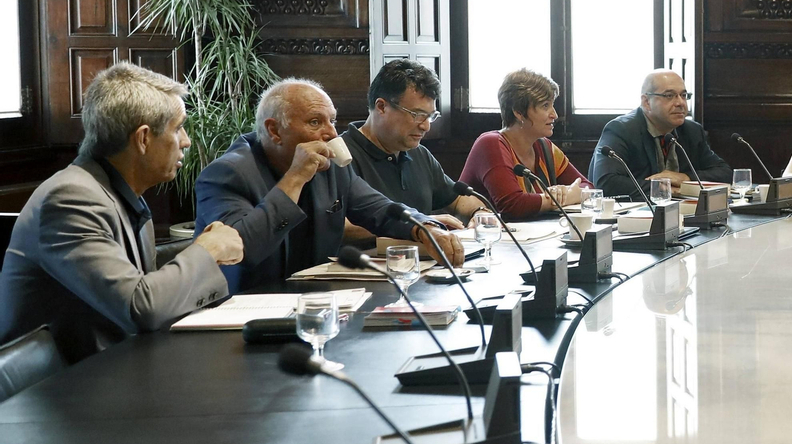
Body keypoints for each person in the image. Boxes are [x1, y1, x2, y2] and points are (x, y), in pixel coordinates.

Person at [0, 63, 242, 362]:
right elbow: (141, 309)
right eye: (178, 127)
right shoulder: (70, 198)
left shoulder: (117, 192)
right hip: (62, 384)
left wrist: (205, 250)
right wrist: (208, 250)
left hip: (110, 368)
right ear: (143, 139)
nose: (186, 141)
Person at [195, 79, 463, 293]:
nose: (332, 133)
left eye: (332, 121)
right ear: (274, 131)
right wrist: (295, 178)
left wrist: (424, 227)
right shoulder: (226, 174)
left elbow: (381, 209)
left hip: (315, 300)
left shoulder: (332, 168)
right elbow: (243, 249)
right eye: (315, 122)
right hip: (240, 313)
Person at [341, 60, 482, 233]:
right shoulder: (341, 155)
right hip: (368, 251)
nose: (426, 126)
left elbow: (458, 199)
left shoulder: (419, 154)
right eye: (417, 115)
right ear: (381, 107)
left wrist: (480, 213)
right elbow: (337, 226)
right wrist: (419, 224)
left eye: (430, 116)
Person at [460, 69, 592, 221]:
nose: (554, 115)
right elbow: (512, 205)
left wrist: (566, 194)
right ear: (519, 112)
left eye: (552, 105)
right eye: (545, 106)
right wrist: (562, 198)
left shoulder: (545, 146)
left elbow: (588, 187)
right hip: (476, 235)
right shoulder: (490, 144)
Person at [589, 69, 732, 199]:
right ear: (646, 102)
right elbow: (606, 182)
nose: (680, 103)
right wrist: (664, 188)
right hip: (632, 214)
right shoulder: (621, 130)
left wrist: (685, 178)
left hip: (683, 212)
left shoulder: (692, 131)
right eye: (669, 96)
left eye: (683, 95)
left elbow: (724, 172)